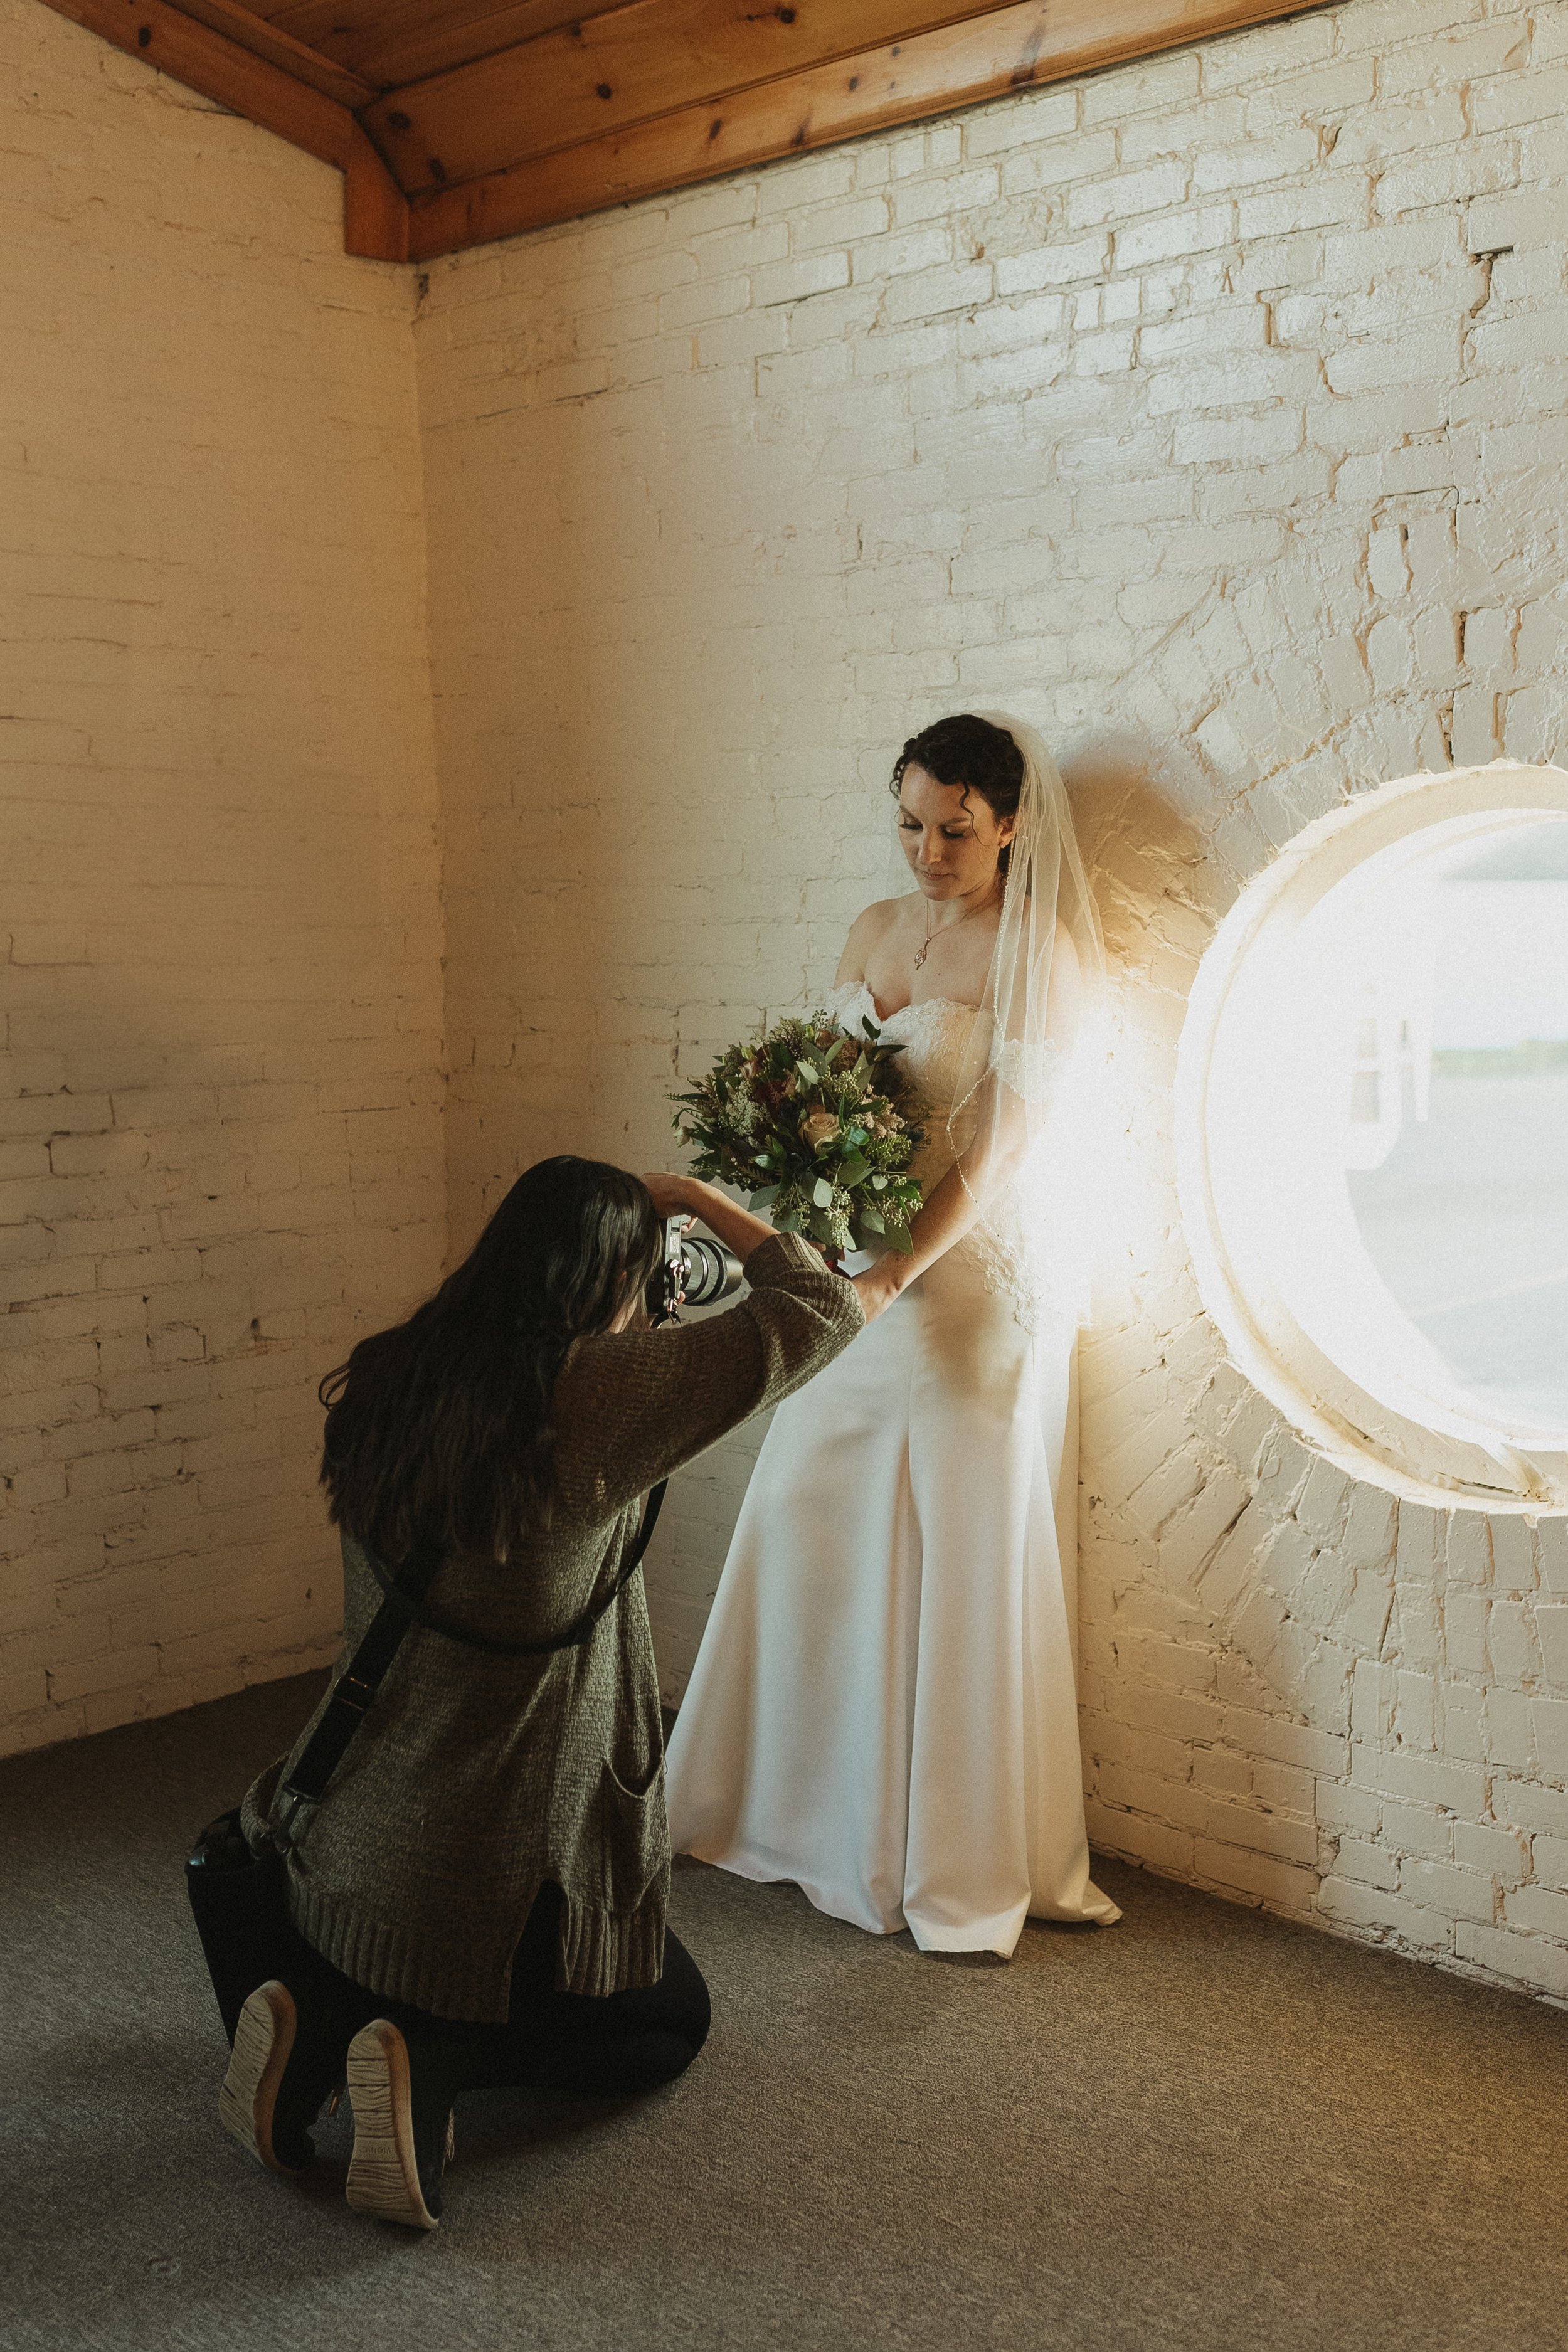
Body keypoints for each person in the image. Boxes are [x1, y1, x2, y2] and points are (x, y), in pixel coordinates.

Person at [217, 1155, 865, 2228]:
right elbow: (825, 1306)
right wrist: (697, 1200)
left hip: (343, 1829)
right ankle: (434, 2060)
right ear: (616, 1277)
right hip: (488, 1871)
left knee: (391, 1959)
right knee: (671, 2017)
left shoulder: (398, 1370)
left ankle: (317, 2024)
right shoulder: (602, 1397)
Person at [665, 712, 1121, 1954]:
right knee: (811, 1502)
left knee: (947, 1543)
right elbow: (822, 1085)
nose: (929, 851)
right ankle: (784, 1809)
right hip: (851, 1255)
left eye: (956, 830)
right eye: (911, 825)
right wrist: (803, 1211)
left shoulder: (1041, 949)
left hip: (961, 1281)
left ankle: (942, 1850)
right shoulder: (874, 928)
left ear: (1012, 822)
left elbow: (998, 1151)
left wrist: (892, 1275)